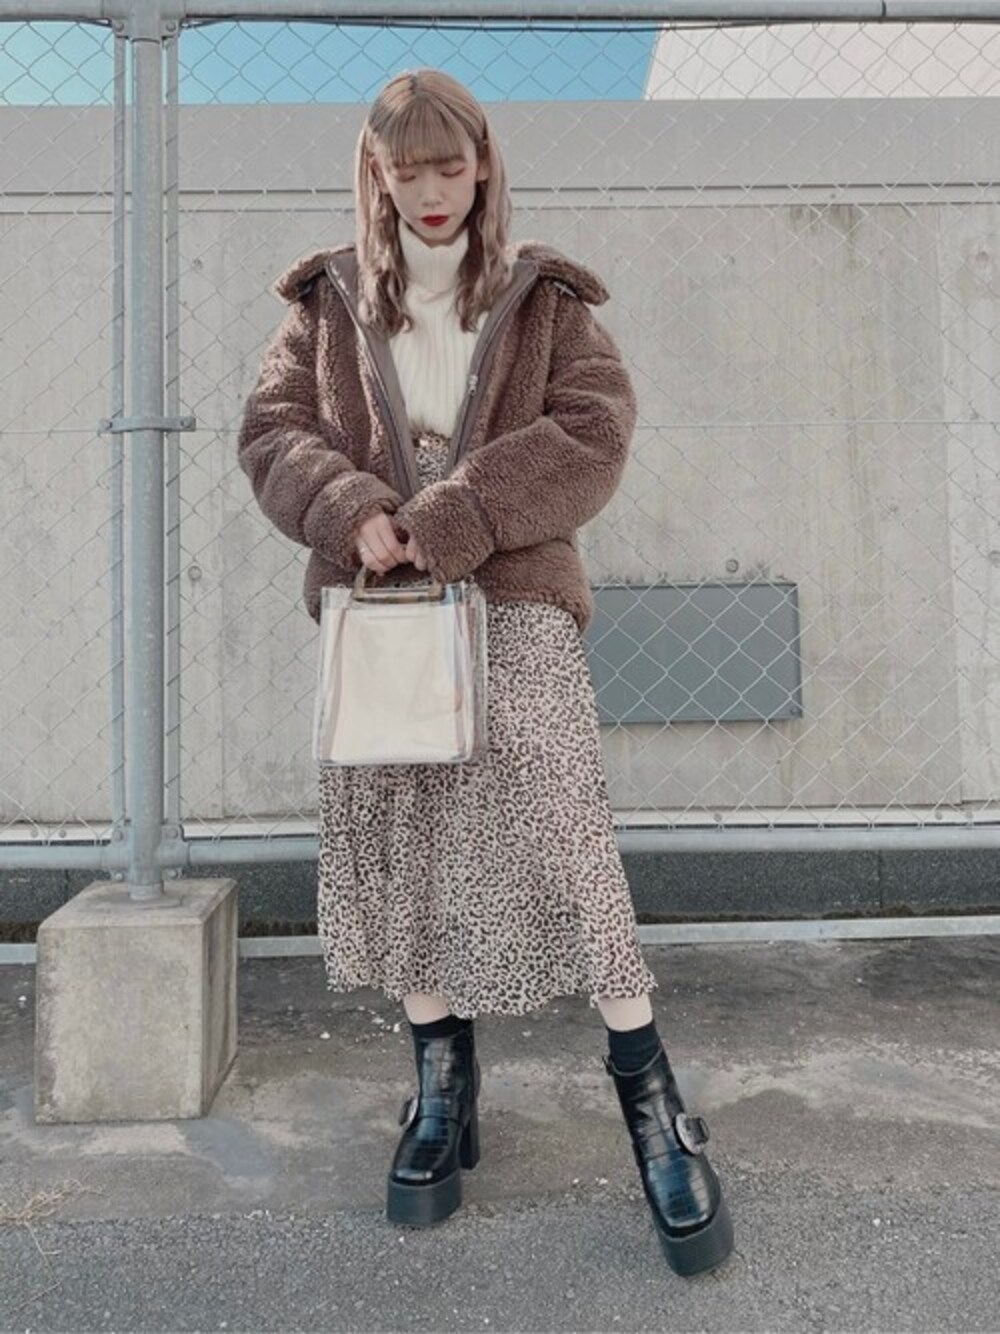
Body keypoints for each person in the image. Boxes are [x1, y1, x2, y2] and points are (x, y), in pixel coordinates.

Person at [237, 67, 733, 1277]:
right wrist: (350, 508)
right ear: (376, 174)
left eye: (448, 166)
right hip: (381, 612)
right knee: (404, 842)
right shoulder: (326, 300)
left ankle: (653, 1102)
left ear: (483, 164)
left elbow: (593, 432)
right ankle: (441, 1089)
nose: (431, 191)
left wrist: (452, 514)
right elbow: (272, 429)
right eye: (406, 169)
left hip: (512, 601)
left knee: (568, 840)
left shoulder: (542, 296)